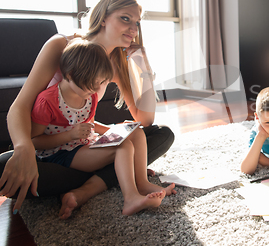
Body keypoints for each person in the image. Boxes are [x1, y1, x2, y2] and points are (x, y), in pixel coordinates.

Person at [0, 0, 175, 218]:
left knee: (160, 134)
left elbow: (146, 120)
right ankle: (114, 174)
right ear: (103, 18)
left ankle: (91, 186)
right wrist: (24, 148)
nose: (134, 29)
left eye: (137, 23)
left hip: (84, 145)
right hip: (53, 147)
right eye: (125, 19)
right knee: (4, 166)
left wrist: (143, 63)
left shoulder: (117, 63)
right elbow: (20, 106)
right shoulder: (62, 45)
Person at [30, 39, 174, 215]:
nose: (97, 89)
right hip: (61, 152)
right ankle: (130, 198)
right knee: (123, 146)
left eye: (101, 83)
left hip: (85, 143)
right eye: (92, 83)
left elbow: (89, 124)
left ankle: (142, 182)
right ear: (70, 74)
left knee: (134, 132)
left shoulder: (89, 95)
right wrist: (69, 136)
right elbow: (35, 142)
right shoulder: (47, 101)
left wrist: (117, 130)